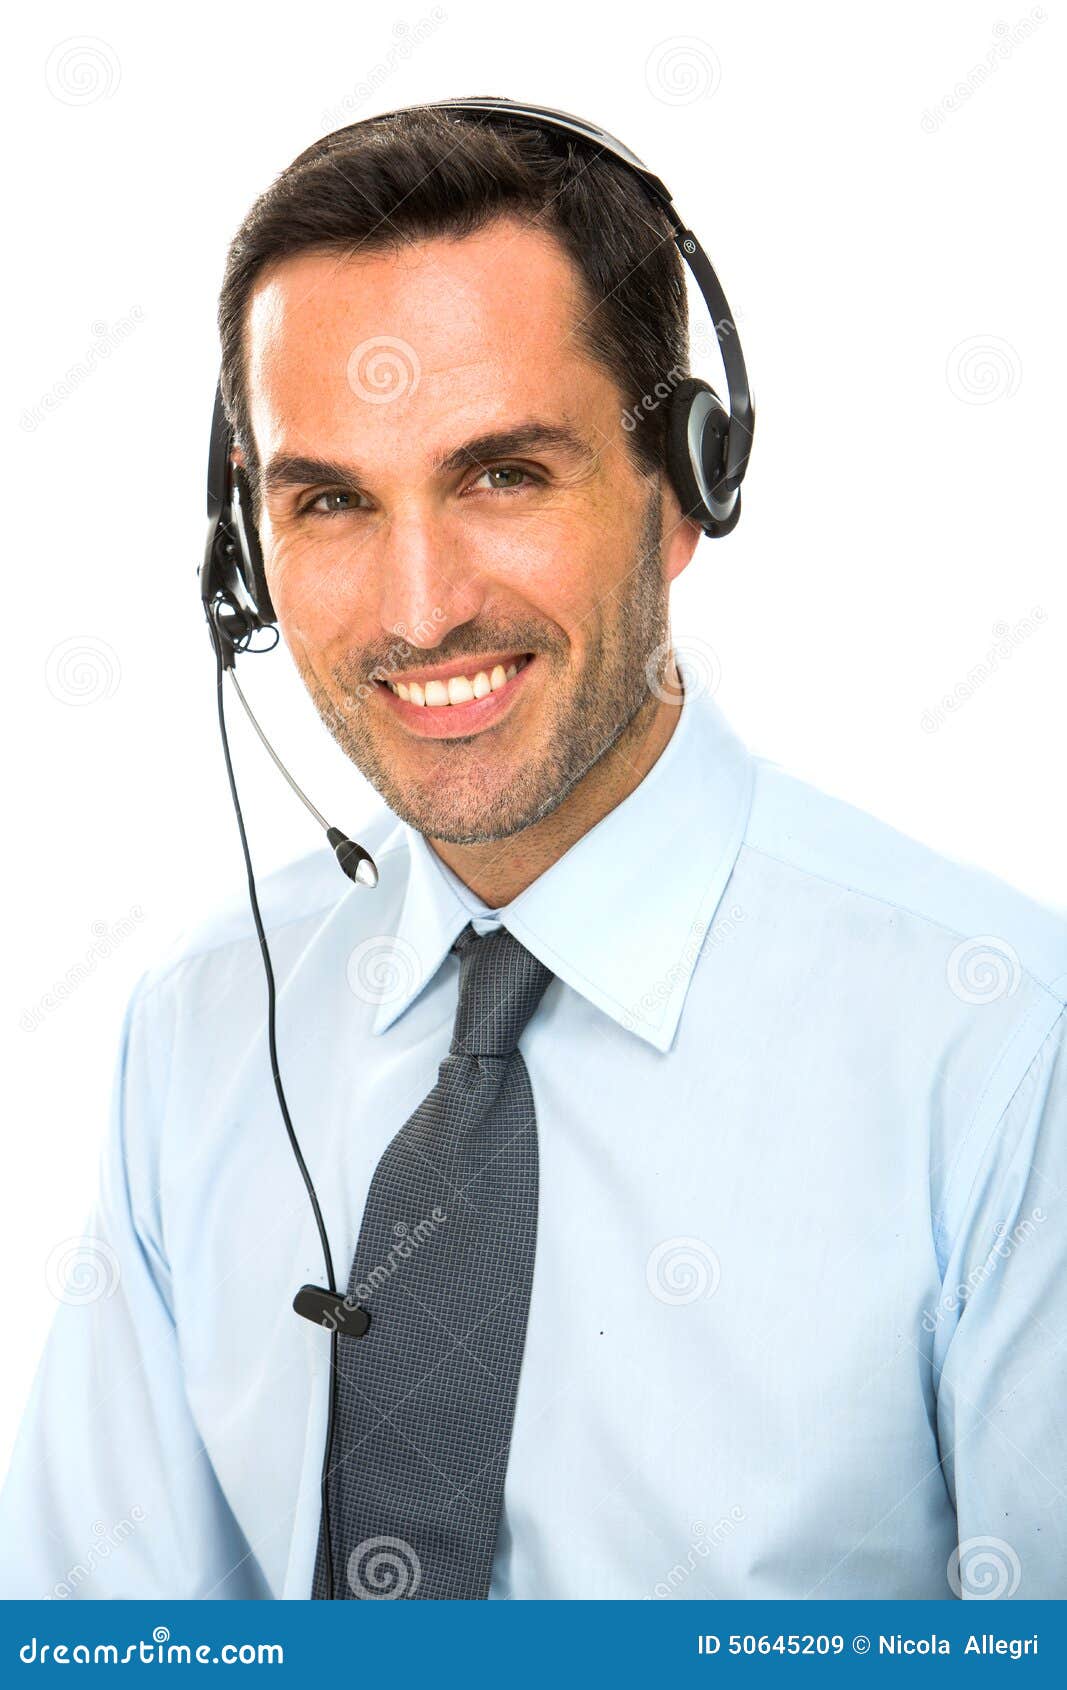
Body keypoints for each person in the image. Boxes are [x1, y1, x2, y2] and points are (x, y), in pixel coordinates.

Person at [2, 100, 1065, 1603]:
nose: (420, 607)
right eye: (329, 502)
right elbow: (101, 1633)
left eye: (502, 474)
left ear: (686, 485)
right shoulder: (200, 1031)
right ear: (245, 552)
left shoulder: (1006, 1047)